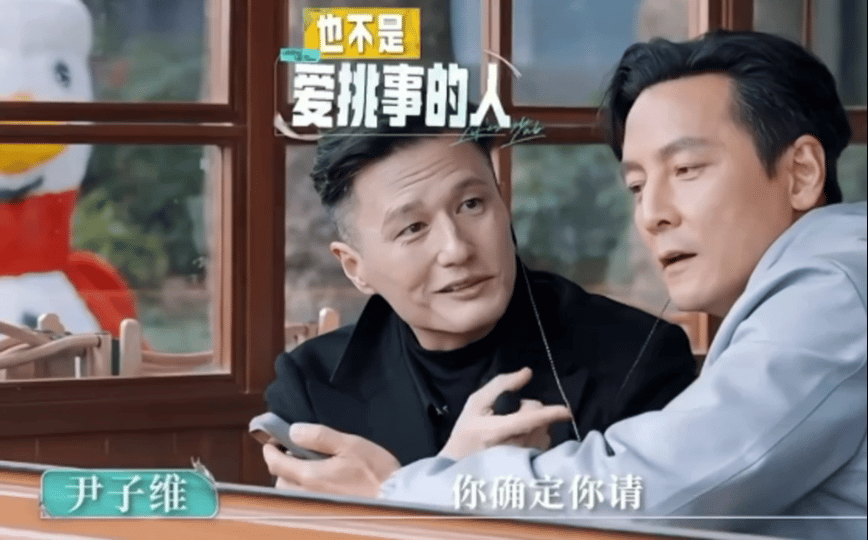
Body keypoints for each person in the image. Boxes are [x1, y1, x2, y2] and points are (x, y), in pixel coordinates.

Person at [379, 30, 867, 540]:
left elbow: (652, 491)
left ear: (801, 173)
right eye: (637, 186)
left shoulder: (833, 292)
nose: (652, 214)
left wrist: (398, 493)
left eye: (686, 169)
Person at [261, 115, 698, 497]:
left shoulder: (638, 355)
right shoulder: (312, 388)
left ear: (502, 202)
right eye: (413, 228)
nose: (456, 249)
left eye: (471, 204)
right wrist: (453, 470)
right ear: (356, 268)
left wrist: (425, 493)